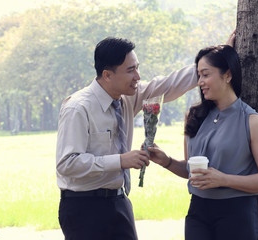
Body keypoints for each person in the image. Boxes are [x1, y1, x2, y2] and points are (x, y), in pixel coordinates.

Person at [56, 37, 199, 240]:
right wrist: (121, 160)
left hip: (119, 202)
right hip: (83, 208)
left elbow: (170, 84)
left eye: (137, 68)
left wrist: (213, 61)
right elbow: (67, 163)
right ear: (107, 75)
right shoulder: (78, 108)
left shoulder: (129, 96)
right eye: (130, 70)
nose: (138, 76)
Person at [148, 44, 258, 240]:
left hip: (236, 214)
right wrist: (166, 161)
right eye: (198, 75)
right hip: (197, 211)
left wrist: (224, 179)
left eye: (205, 74)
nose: (200, 81)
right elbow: (191, 171)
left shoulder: (252, 122)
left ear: (227, 75)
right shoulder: (194, 115)